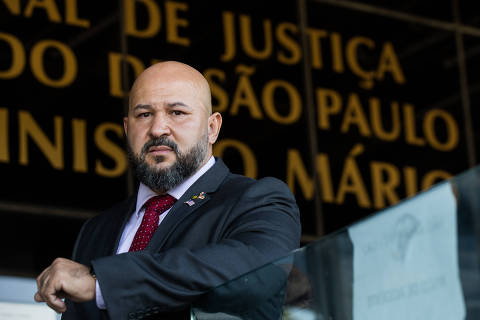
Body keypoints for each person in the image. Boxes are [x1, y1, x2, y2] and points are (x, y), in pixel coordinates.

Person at [34, 61, 301, 319]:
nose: (158, 128)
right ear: (128, 129)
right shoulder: (97, 229)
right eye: (144, 114)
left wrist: (103, 283)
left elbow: (252, 272)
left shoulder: (258, 199)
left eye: (177, 112)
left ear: (212, 128)